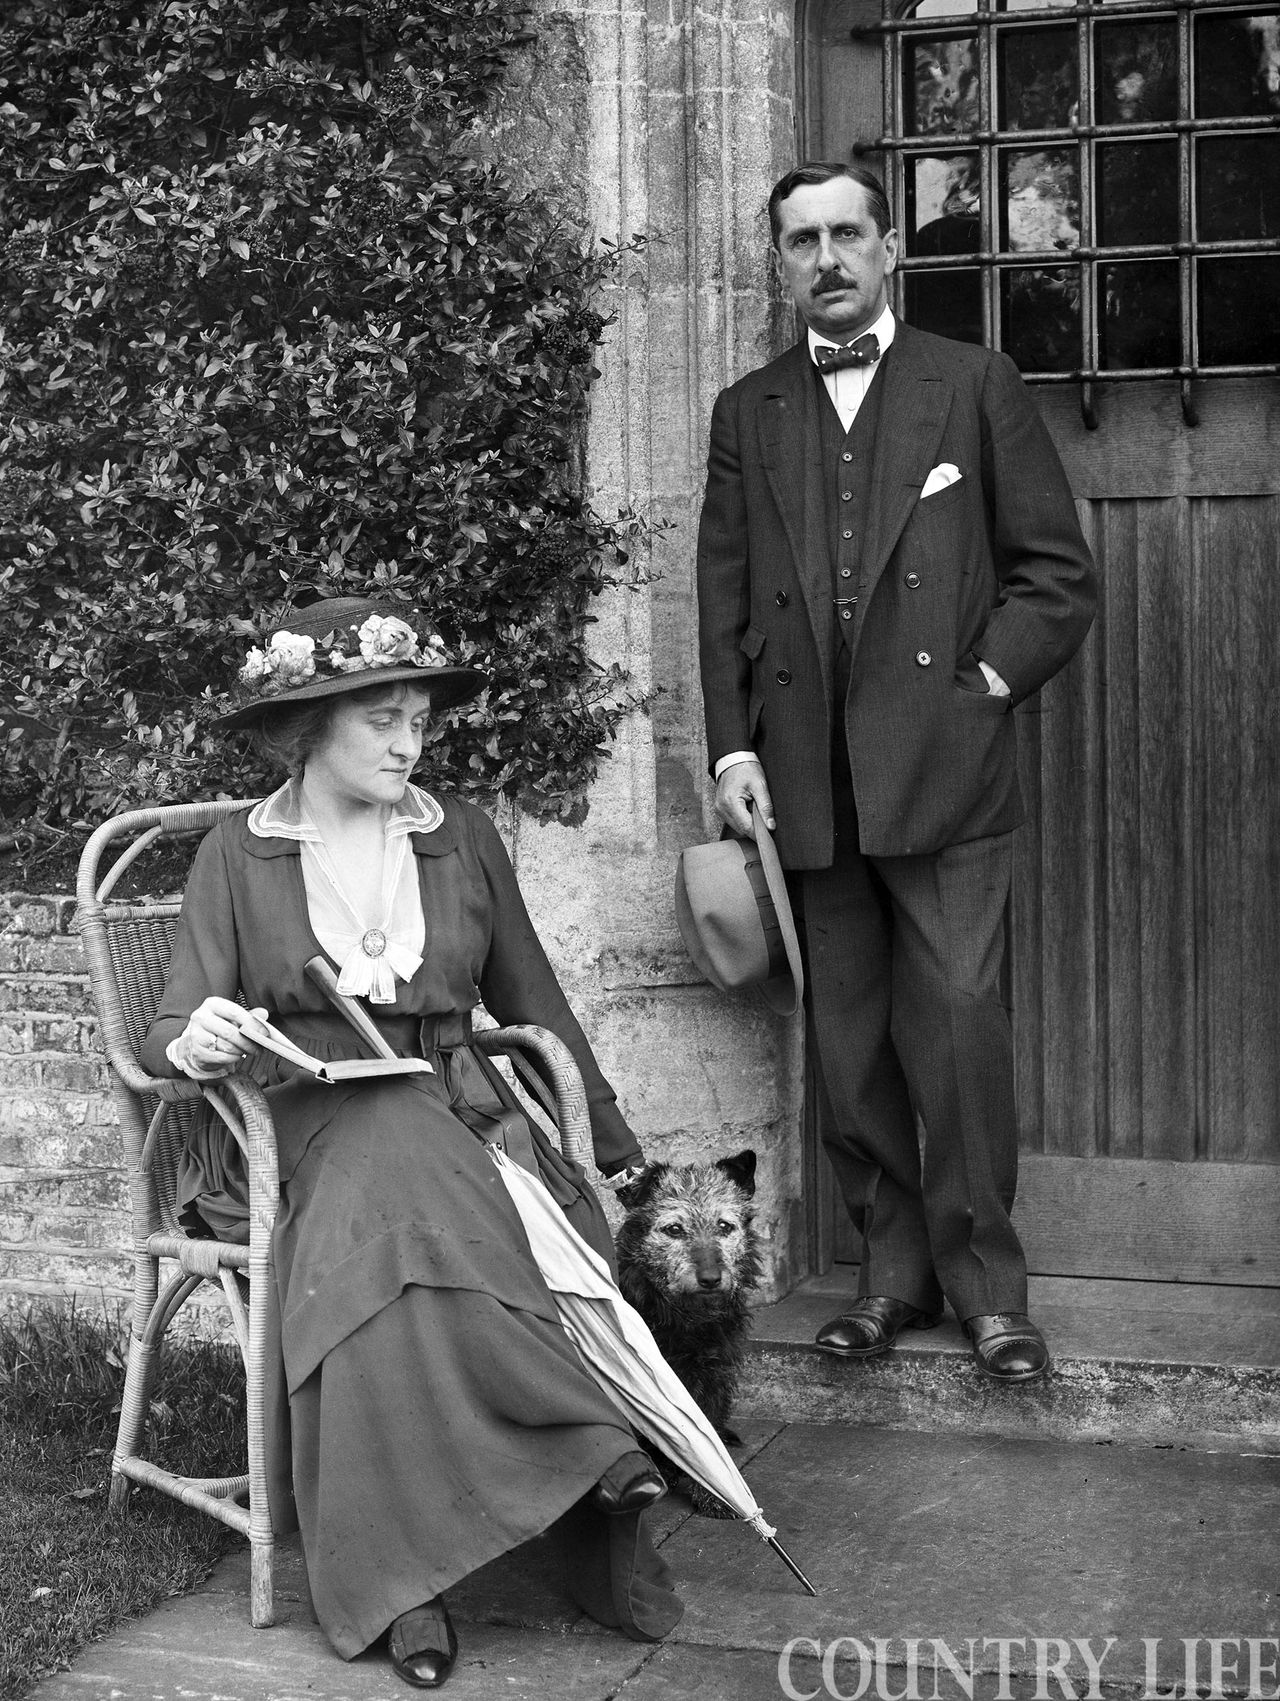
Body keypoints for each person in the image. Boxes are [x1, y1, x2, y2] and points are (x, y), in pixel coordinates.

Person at [139, 595, 682, 1689]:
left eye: (418, 721)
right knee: (386, 1154)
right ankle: (583, 1444)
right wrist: (196, 1037)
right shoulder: (236, 859)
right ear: (308, 729)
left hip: (453, 1115)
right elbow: (165, 1030)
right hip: (292, 1124)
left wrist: (608, 1147)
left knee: (394, 1216)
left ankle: (403, 1585)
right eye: (381, 718)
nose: (407, 742)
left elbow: (533, 998)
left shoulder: (460, 835)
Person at [695, 161, 1096, 1385]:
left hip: (946, 772)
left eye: (846, 235)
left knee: (960, 1030)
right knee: (849, 1040)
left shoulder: (973, 385)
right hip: (806, 775)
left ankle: (987, 1293)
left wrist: (980, 688)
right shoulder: (747, 408)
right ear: (778, 262)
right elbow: (717, 598)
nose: (825, 258)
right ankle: (886, 1279)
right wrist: (731, 747)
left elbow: (1053, 575)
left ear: (887, 252)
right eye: (800, 240)